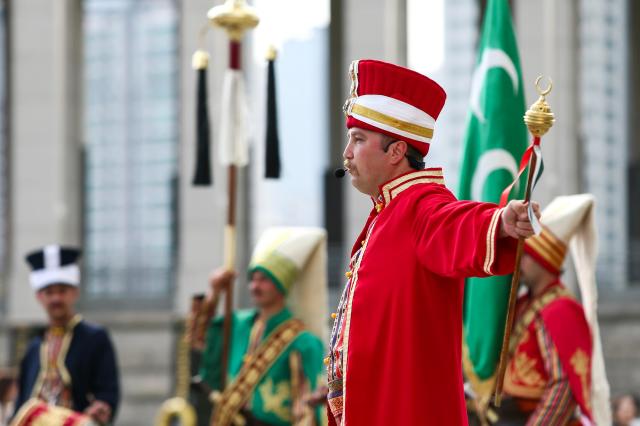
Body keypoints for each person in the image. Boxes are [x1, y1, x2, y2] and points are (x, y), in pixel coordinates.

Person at [326, 59, 540, 426]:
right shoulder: (384, 214)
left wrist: (499, 221)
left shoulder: (422, 206)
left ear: (395, 152)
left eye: (358, 139)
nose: (347, 153)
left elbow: (458, 223)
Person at [499, 194, 611, 425]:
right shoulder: (523, 303)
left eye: (526, 255)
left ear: (545, 260)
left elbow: (564, 384)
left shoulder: (561, 309)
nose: (519, 261)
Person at [197, 227, 328, 426]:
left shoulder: (303, 340)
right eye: (253, 279)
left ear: (281, 284)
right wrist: (214, 293)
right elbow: (198, 341)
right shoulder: (238, 325)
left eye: (264, 280)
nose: (255, 286)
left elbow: (308, 408)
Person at [14, 245, 120, 424]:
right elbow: (22, 402)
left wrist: (101, 409)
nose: (56, 299)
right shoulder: (34, 347)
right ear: (40, 297)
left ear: (75, 293)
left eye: (62, 291)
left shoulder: (95, 338)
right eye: (49, 293)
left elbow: (108, 393)